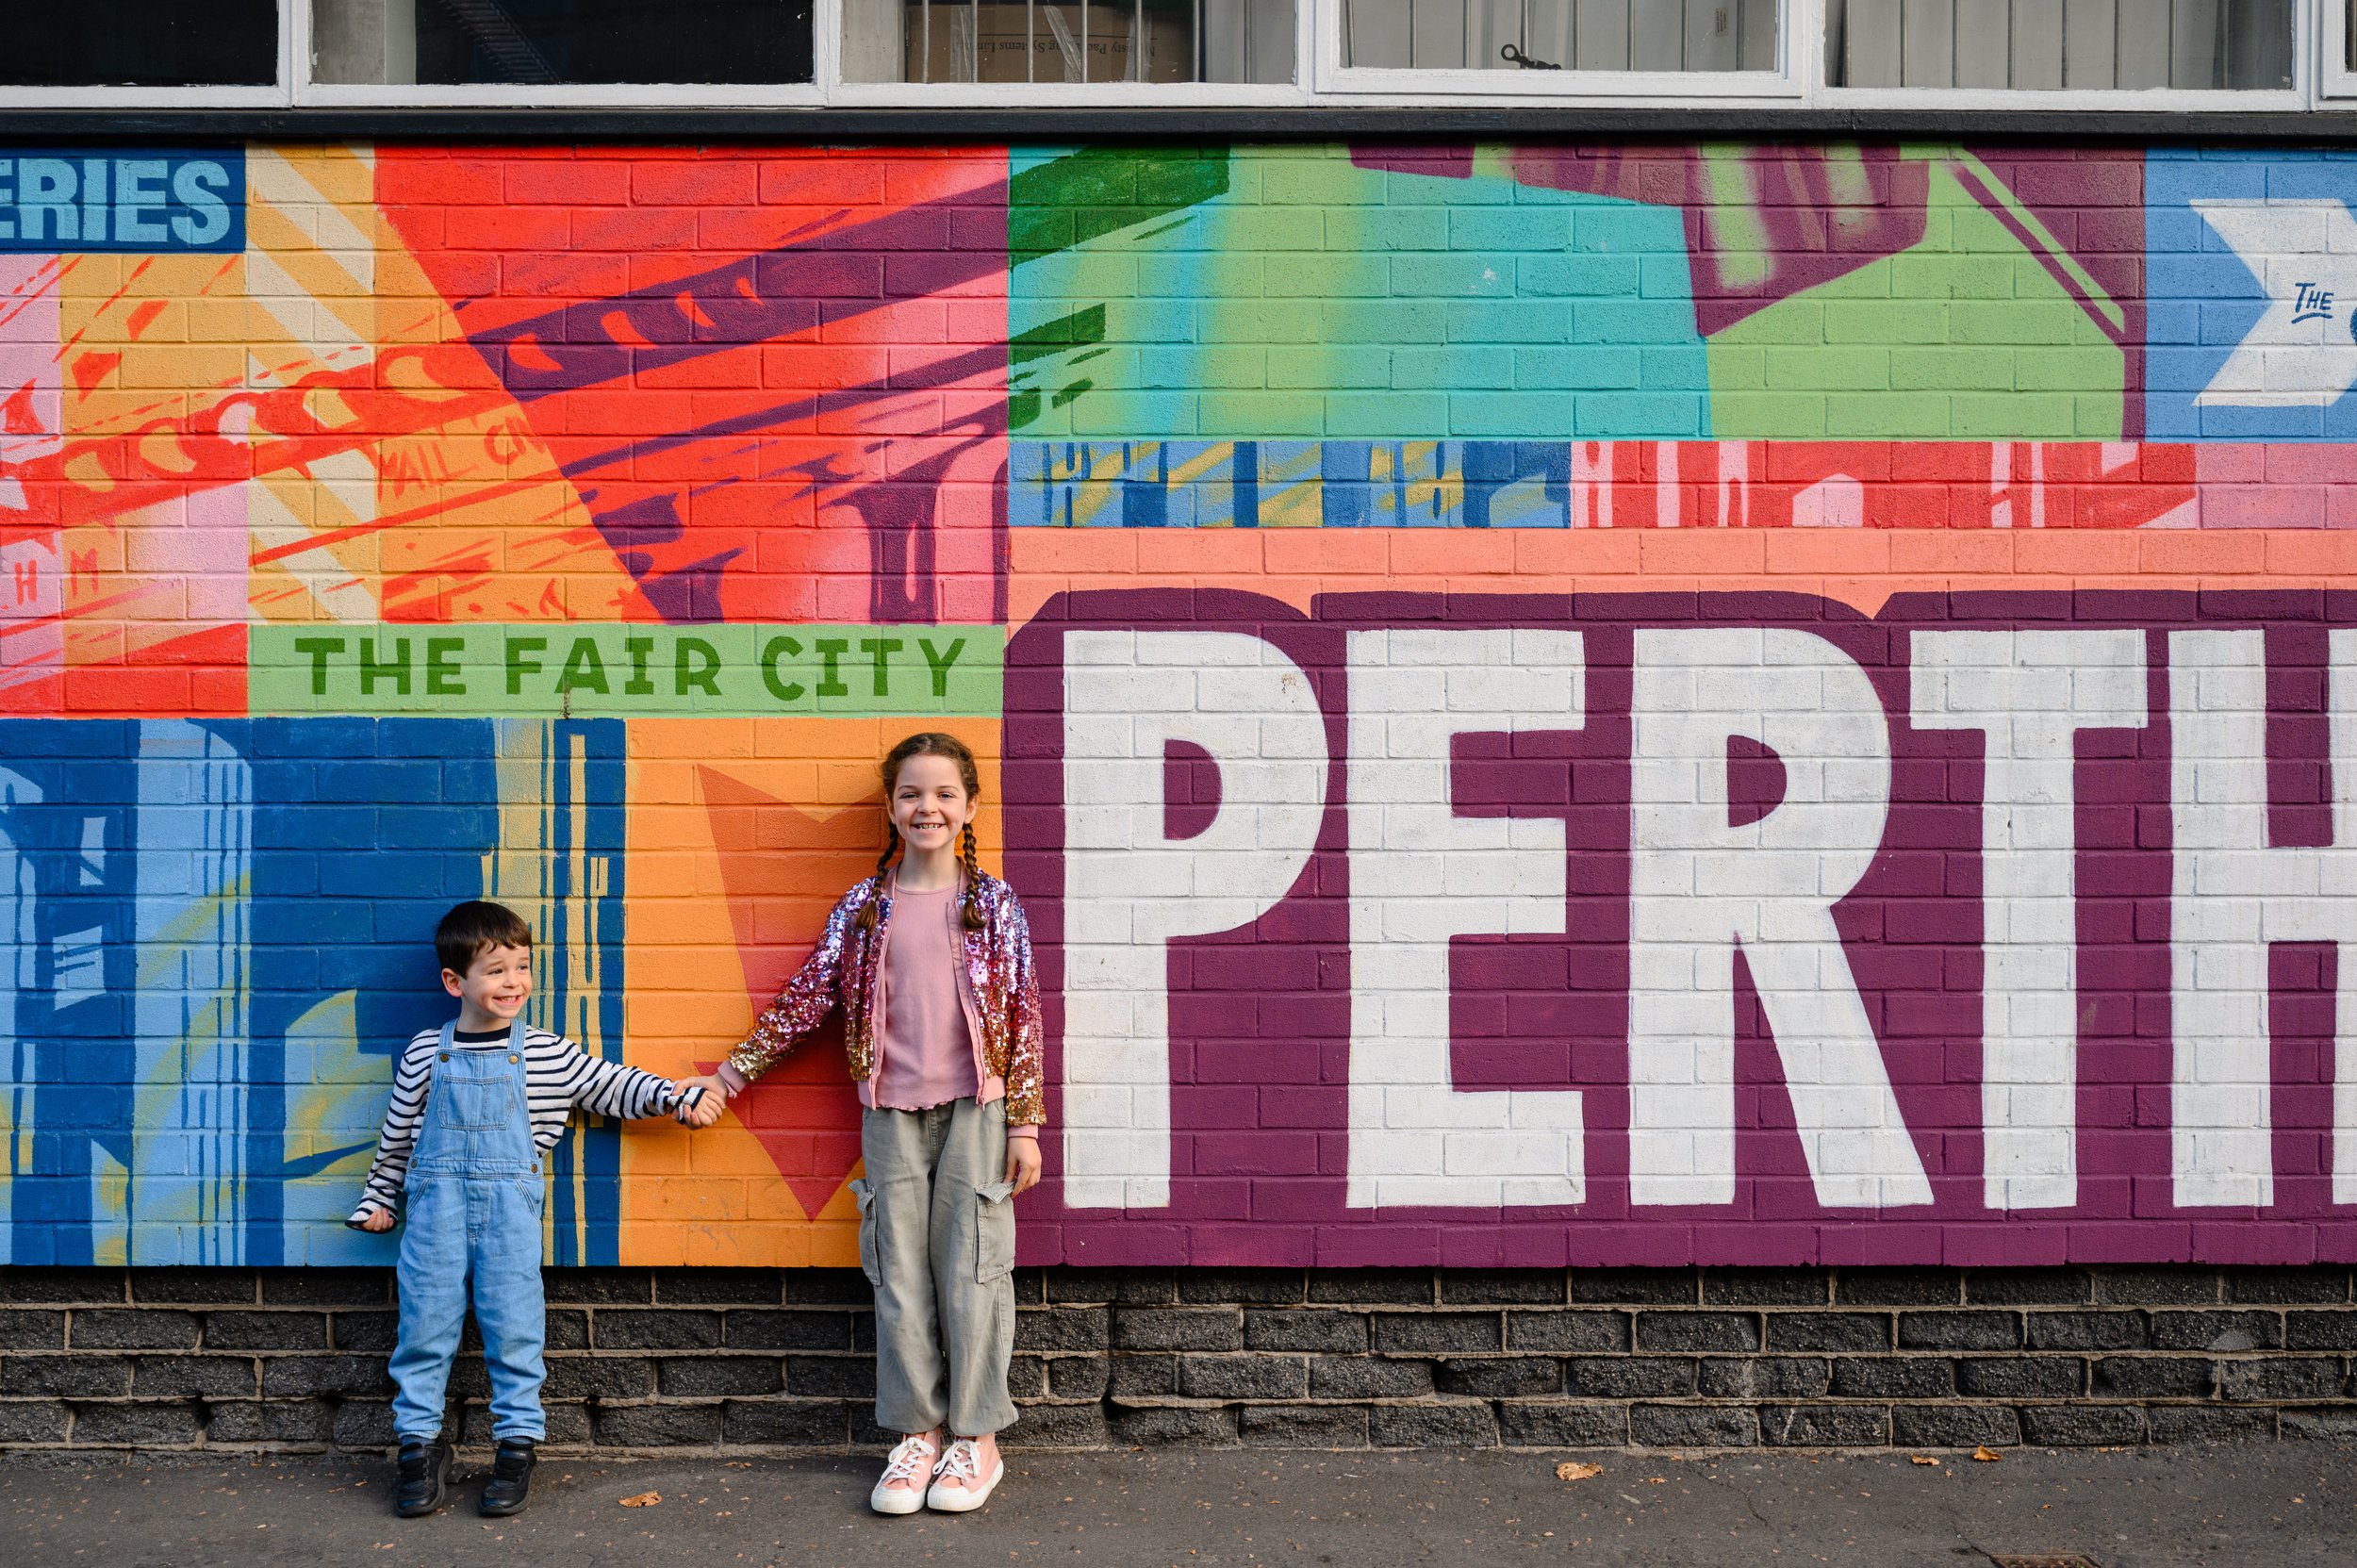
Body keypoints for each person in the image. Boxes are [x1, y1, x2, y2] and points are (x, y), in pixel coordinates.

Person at [680, 732, 1045, 1515]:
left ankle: (977, 1439)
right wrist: (731, 1074)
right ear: (889, 807)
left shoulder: (995, 904)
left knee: (974, 1271)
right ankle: (919, 1434)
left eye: (946, 793)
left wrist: (1026, 1122)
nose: (928, 807)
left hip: (977, 1113)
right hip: (889, 1116)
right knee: (899, 1275)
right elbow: (808, 997)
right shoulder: (864, 907)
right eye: (912, 793)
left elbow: (1024, 1017)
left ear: (971, 807)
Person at [351, 899, 722, 1520]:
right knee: (422, 1331)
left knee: (514, 1331)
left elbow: (611, 1084)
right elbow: (397, 1137)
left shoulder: (546, 1051)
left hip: (508, 1223)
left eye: (522, 967)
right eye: (496, 970)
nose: (514, 981)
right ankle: (419, 1446)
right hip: (434, 1217)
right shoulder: (425, 1051)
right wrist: (378, 1198)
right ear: (455, 981)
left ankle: (517, 1444)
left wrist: (675, 1095)